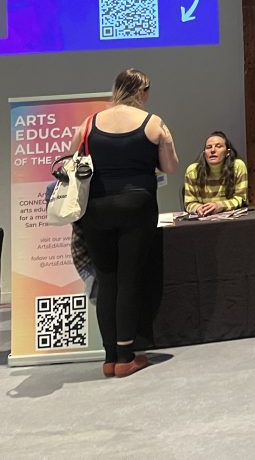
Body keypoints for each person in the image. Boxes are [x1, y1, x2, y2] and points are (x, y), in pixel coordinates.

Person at [69, 68, 179, 378]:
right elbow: (170, 166)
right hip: (137, 206)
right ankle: (126, 356)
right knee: (129, 279)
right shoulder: (153, 123)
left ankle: (109, 358)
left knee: (107, 280)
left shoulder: (88, 124)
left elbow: (72, 162)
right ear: (142, 91)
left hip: (96, 210)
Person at [183, 131, 248, 216]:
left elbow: (241, 198)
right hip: (204, 217)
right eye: (209, 147)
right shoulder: (192, 171)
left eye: (218, 146)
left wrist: (219, 206)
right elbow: (189, 203)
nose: (213, 150)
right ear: (204, 153)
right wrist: (199, 208)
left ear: (227, 152)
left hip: (232, 218)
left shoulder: (238, 166)